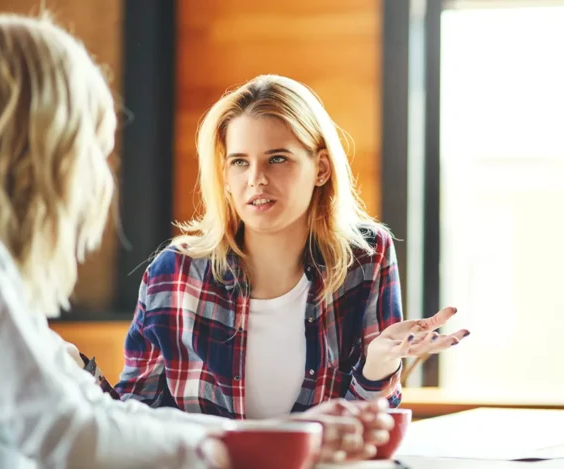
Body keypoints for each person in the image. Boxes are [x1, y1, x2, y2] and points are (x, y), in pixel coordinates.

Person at [0, 14, 394, 469]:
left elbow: (97, 412)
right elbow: (69, 433)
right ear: (38, 143)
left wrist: (277, 435)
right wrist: (229, 449)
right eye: (89, 147)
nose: (97, 175)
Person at [114, 74, 470, 420]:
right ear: (224, 177)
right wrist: (77, 375)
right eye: (240, 162)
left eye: (277, 158)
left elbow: (367, 427)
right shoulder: (174, 272)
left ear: (321, 169)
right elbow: (132, 417)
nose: (256, 179)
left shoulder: (366, 255)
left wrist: (378, 365)